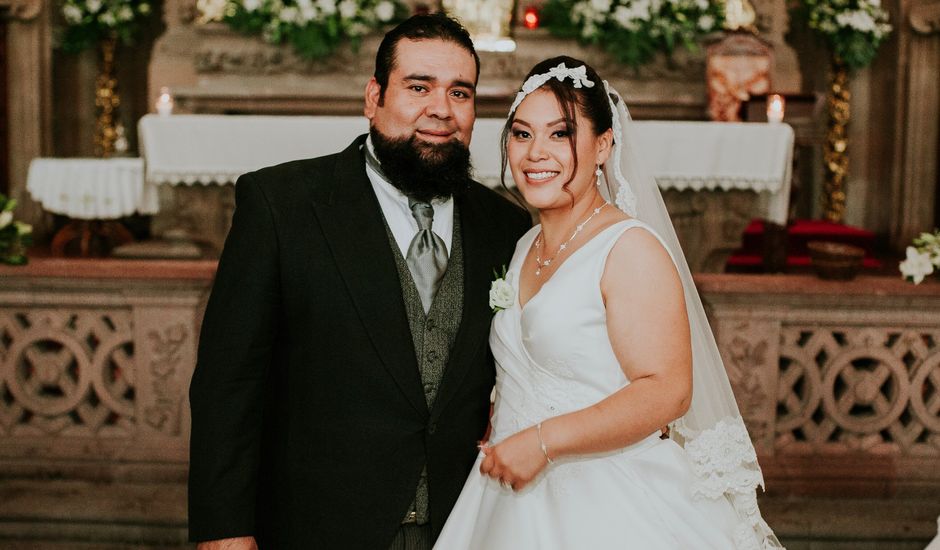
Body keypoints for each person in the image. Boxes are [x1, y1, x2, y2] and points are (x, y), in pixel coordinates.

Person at [187, 14, 531, 550]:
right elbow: (227, 385)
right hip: (319, 525)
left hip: (463, 525)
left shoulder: (506, 226)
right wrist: (224, 532)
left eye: (460, 92)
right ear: (374, 97)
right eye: (418, 87)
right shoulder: (283, 205)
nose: (441, 109)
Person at [434, 56, 784, 549]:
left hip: (607, 500)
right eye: (521, 133)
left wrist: (541, 441)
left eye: (560, 134)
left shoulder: (628, 247)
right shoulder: (522, 247)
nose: (536, 153)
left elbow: (668, 392)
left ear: (602, 145)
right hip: (504, 492)